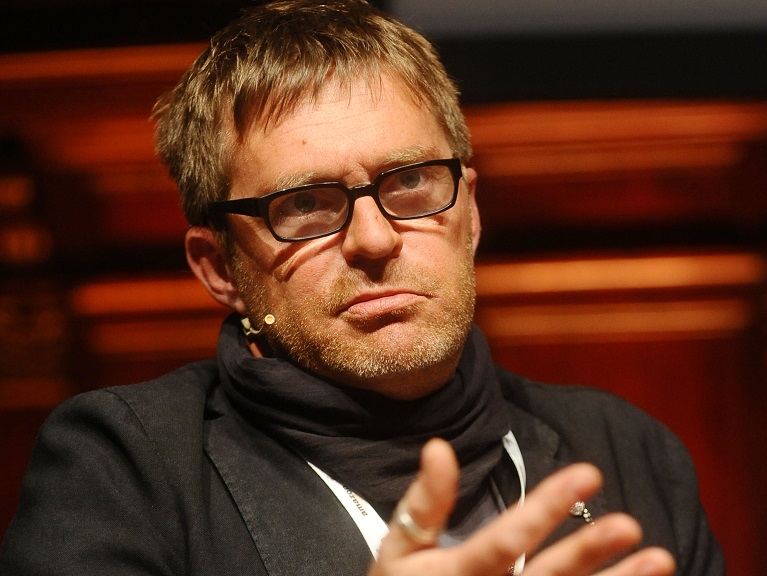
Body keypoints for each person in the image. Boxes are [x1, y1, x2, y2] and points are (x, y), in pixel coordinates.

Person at [0, 1, 722, 574]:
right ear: (219, 269)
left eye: (409, 183)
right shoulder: (125, 471)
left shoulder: (626, 450)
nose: (374, 240)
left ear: (469, 215)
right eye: (303, 205)